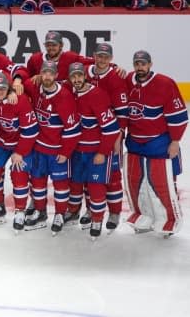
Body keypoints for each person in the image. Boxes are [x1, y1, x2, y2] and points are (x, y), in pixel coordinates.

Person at [125, 50, 188, 236]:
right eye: (137, 63)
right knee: (139, 183)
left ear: (150, 64)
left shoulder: (165, 84)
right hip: (135, 142)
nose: (140, 67)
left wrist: (175, 141)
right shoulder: (129, 80)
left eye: (143, 64)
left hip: (159, 142)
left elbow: (178, 116)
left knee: (163, 183)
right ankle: (145, 216)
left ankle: (168, 219)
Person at [23, 61, 80, 235]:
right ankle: (40, 212)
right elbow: (20, 83)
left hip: (57, 152)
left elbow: (73, 128)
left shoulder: (64, 96)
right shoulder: (35, 88)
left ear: (56, 76)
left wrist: (65, 152)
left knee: (60, 185)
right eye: (44, 73)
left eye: (50, 73)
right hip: (39, 149)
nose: (47, 76)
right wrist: (18, 83)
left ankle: (60, 214)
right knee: (38, 182)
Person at [66, 62, 120, 239]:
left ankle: (97, 218)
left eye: (79, 76)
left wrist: (102, 152)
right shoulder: (69, 93)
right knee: (77, 184)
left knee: (97, 187)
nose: (76, 79)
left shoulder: (96, 95)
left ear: (85, 76)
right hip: (77, 151)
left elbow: (111, 129)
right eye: (73, 76)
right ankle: (81, 211)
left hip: (96, 151)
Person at [0, 73, 38, 230]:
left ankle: (20, 210)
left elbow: (32, 130)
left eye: (3, 88)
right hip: (1, 139)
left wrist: (20, 152)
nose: (0, 91)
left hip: (21, 142)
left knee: (18, 172)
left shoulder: (19, 101)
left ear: (9, 88)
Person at [83, 43, 128, 231]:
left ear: (110, 59)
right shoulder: (85, 71)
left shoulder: (116, 78)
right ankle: (92, 209)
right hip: (88, 134)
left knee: (112, 176)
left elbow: (123, 111)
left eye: (106, 57)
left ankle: (115, 211)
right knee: (88, 174)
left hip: (110, 133)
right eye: (99, 56)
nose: (102, 60)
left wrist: (118, 135)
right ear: (94, 55)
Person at [26, 31, 92, 82]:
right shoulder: (35, 59)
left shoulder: (71, 57)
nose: (51, 48)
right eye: (48, 45)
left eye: (54, 45)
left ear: (61, 45)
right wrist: (33, 78)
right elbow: (26, 76)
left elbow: (93, 63)